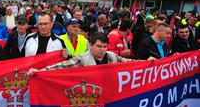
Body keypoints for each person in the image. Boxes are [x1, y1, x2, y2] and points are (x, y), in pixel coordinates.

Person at [26, 32, 155, 76]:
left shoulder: (112, 56)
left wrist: (147, 62)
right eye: (99, 46)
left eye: (105, 47)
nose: (102, 50)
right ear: (91, 45)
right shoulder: (82, 59)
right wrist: (39, 71)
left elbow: (130, 63)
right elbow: (61, 66)